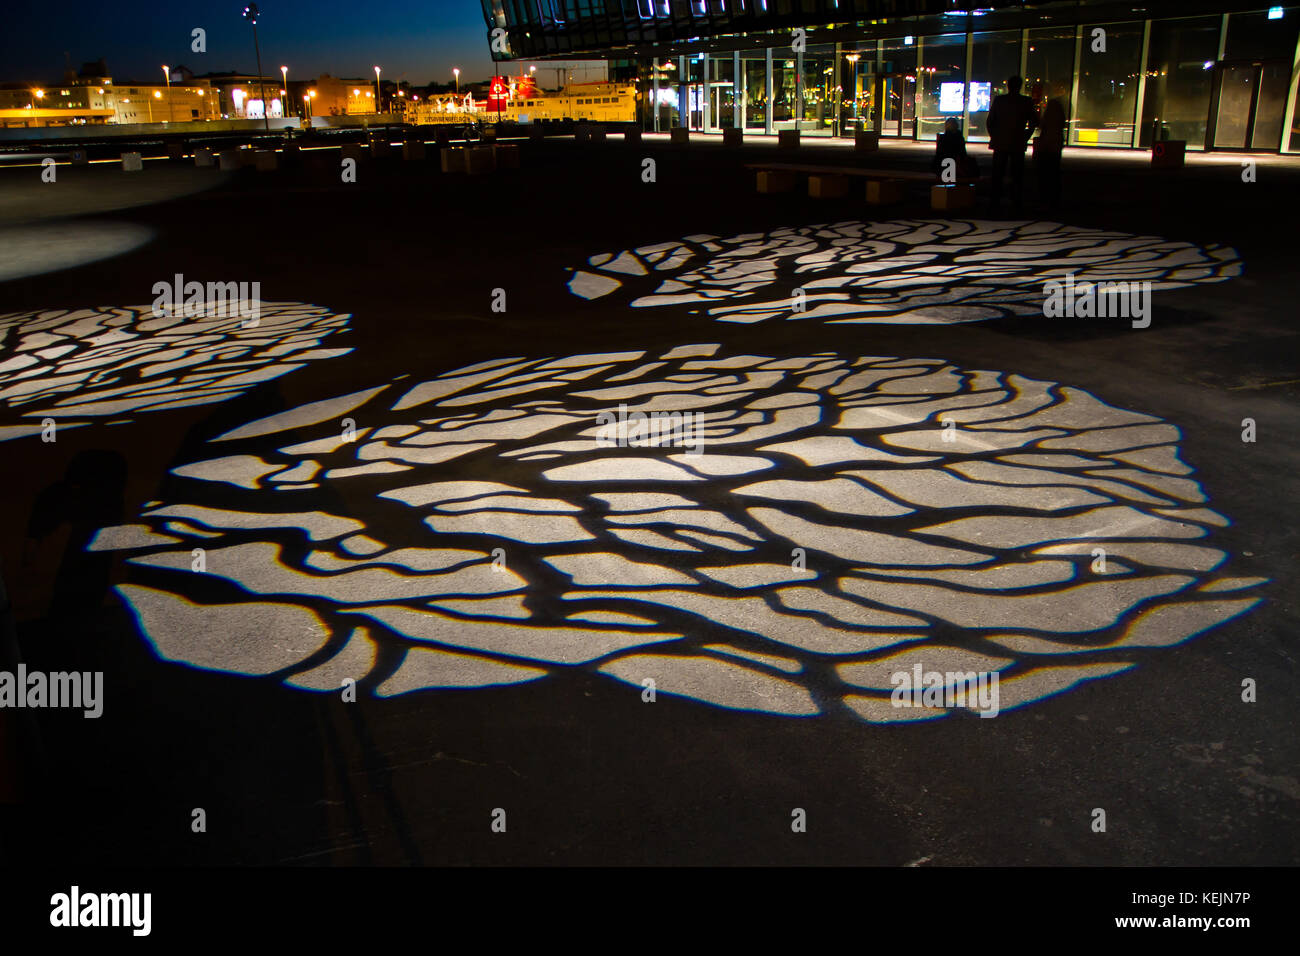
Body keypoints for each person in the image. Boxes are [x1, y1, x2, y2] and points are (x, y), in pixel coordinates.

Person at [985, 76, 1037, 211]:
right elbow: (1033, 122)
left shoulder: (999, 101)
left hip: (1001, 143)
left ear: (1008, 86)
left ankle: (995, 202)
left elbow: (990, 122)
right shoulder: (1026, 102)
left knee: (997, 174)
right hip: (1017, 143)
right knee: (1017, 175)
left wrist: (995, 136)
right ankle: (1016, 201)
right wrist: (1025, 136)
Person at [1036, 97, 1066, 209]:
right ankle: (1054, 199)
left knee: (1044, 174)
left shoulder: (1047, 119)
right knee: (1054, 173)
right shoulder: (1059, 121)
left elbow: (1042, 130)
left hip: (1046, 148)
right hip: (1055, 148)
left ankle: (1044, 199)